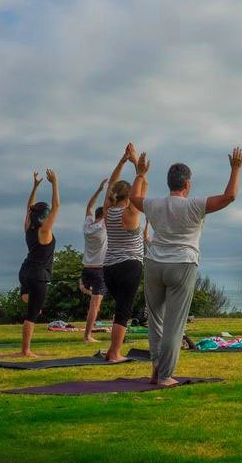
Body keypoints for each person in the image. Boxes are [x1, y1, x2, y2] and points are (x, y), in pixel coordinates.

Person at [130, 148, 242, 385]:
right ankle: (165, 376)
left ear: (169, 183)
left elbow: (133, 199)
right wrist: (235, 168)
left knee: (155, 319)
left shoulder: (155, 204)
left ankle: (156, 365)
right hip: (182, 263)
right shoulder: (194, 205)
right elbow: (229, 197)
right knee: (175, 324)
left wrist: (140, 174)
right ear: (187, 185)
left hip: (154, 263)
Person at [100, 145, 150, 362]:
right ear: (129, 196)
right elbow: (143, 188)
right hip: (129, 265)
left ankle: (113, 349)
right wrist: (137, 166)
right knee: (124, 311)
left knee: (120, 309)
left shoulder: (108, 211)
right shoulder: (132, 212)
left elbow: (111, 185)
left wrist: (122, 161)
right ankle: (115, 354)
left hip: (109, 268)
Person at [19, 170, 59, 357]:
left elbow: (29, 207)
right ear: (44, 215)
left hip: (25, 271)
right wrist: (54, 183)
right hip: (38, 274)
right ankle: (26, 350)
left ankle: (29, 298)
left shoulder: (29, 228)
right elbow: (57, 206)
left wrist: (35, 186)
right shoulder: (44, 231)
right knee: (33, 314)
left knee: (33, 305)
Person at [79, 179, 109, 343]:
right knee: (95, 305)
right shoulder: (103, 226)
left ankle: (84, 286)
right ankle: (87, 336)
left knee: (94, 296)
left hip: (87, 268)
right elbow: (107, 208)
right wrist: (110, 191)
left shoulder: (87, 226)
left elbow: (89, 207)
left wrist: (99, 189)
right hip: (99, 270)